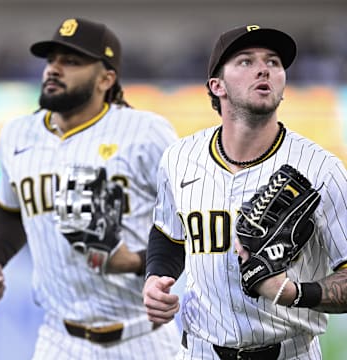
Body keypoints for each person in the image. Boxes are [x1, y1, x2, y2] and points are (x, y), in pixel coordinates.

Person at [143, 24, 347, 360]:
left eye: (273, 62)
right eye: (246, 61)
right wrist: (156, 278)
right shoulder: (179, 158)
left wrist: (294, 292)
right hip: (200, 351)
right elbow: (169, 233)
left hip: (289, 352)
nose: (264, 68)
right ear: (216, 86)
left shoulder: (321, 169)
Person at [0, 17, 180, 359]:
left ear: (107, 78)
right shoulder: (18, 134)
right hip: (57, 339)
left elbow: (192, 222)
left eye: (72, 62)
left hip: (141, 337)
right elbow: (11, 210)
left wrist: (136, 262)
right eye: (52, 60)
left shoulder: (146, 132)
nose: (54, 69)